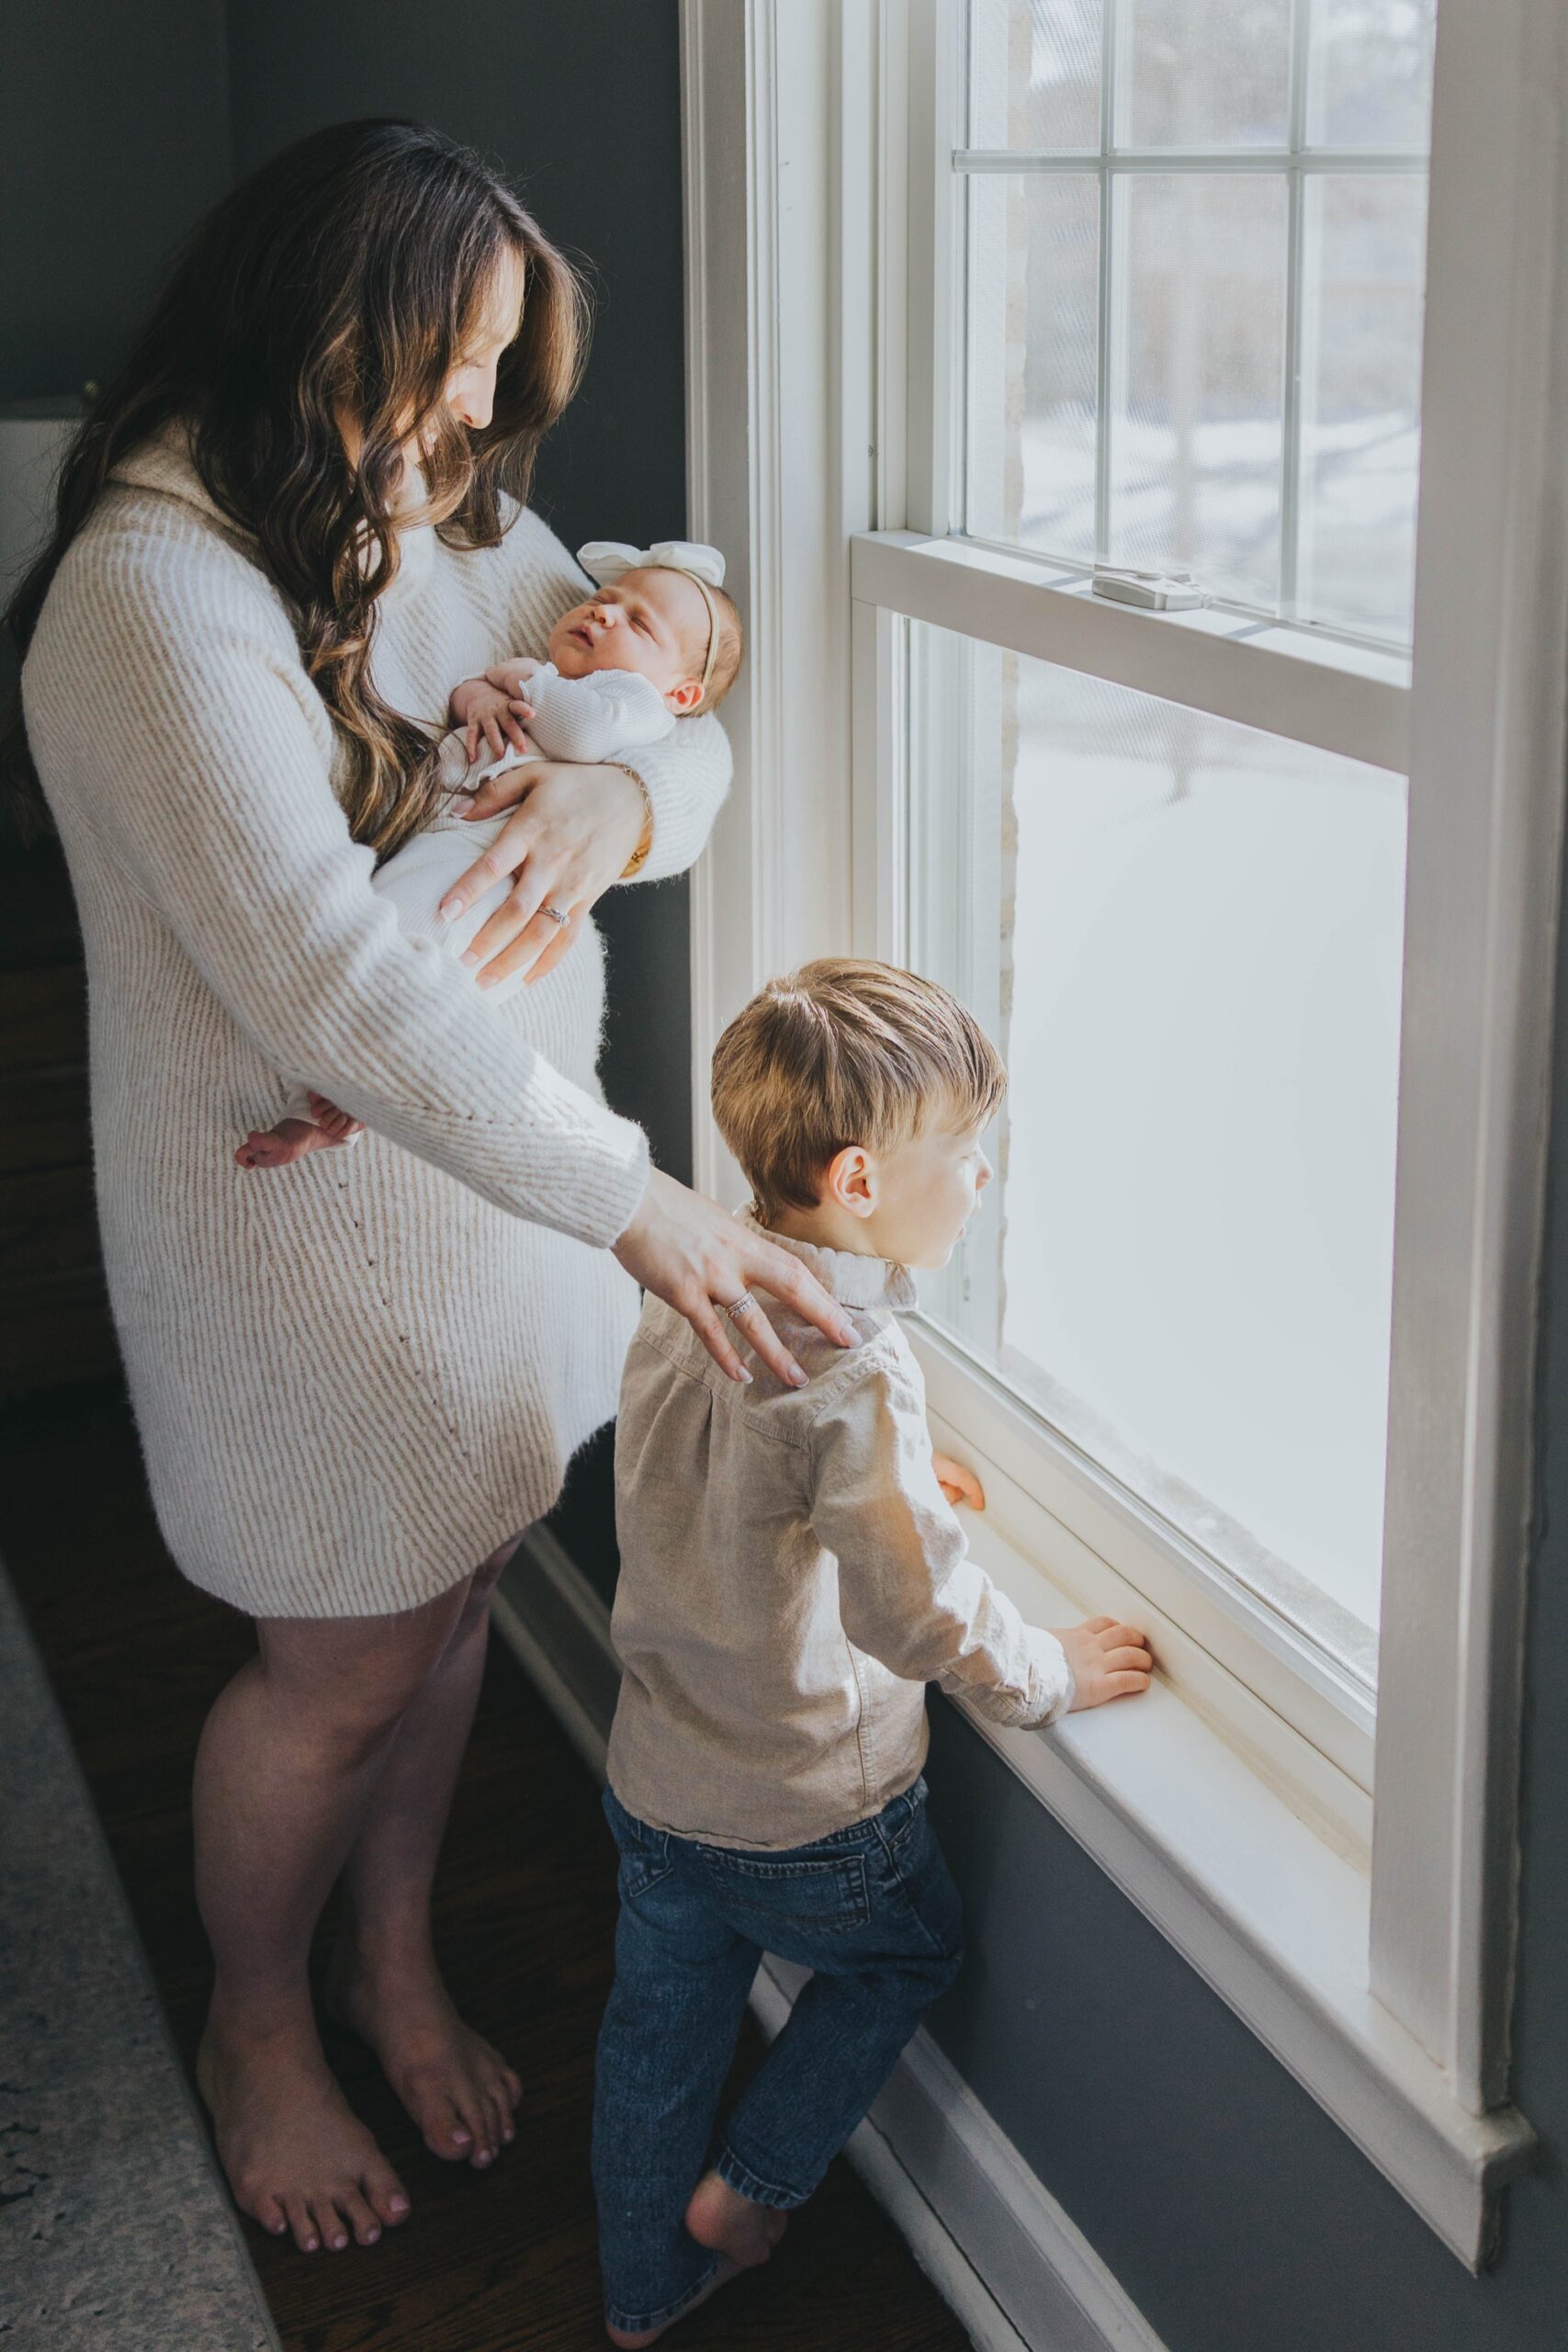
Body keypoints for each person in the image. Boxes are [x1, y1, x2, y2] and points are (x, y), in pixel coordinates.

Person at [3, 119, 858, 2261]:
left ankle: (393, 1953)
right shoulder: (150, 598)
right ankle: (260, 2013)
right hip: (304, 1260)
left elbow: (678, 684)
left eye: (492, 374)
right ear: (317, 327)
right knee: (333, 1666)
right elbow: (332, 975)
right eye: (447, 364)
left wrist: (613, 786)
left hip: (492, 1230)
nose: (476, 420)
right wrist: (647, 1206)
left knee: (458, 1594)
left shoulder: (436, 515)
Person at [593, 958, 1155, 2346]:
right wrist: (1044, 1675)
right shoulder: (852, 1365)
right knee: (901, 1961)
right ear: (855, 1183)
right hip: (806, 1808)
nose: (979, 1179)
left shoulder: (698, 1272)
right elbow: (906, 1614)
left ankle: (637, 2293)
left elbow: (738, 1475)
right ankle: (751, 2190)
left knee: (655, 2036)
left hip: (660, 1772)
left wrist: (902, 1475)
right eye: (962, 1155)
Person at [236, 538, 742, 1169]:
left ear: (682, 696)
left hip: (488, 864)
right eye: (603, 598)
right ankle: (323, 1109)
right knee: (402, 970)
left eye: (638, 623)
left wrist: (520, 677)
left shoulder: (631, 703)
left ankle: (344, 1102)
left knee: (404, 960)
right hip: (444, 840)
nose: (605, 613)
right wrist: (480, 697)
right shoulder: (563, 681)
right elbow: (469, 701)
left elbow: (580, 731)